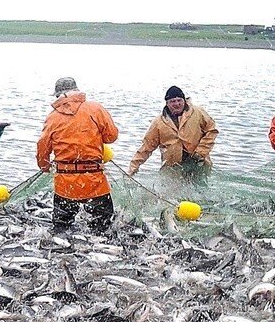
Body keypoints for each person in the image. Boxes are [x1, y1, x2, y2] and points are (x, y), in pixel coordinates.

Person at [36, 77, 119, 233]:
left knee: (61, 229)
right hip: (94, 181)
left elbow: (42, 147)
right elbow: (111, 136)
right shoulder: (96, 109)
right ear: (77, 91)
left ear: (58, 96)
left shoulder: (52, 117)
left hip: (65, 183)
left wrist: (45, 166)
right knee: (103, 229)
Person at [127, 86, 218, 182]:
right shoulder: (159, 122)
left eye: (179, 100)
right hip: (172, 168)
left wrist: (200, 153)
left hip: (199, 163)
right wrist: (133, 167)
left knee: (199, 192)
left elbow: (211, 131)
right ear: (167, 103)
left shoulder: (198, 112)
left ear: (184, 100)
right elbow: (147, 147)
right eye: (173, 101)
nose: (177, 104)